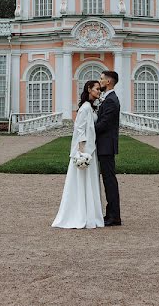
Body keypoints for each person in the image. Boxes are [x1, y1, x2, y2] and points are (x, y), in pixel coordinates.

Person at [51, 80, 105, 229]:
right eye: (97, 89)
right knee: (82, 183)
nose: (99, 91)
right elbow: (79, 129)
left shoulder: (91, 108)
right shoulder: (85, 108)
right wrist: (81, 153)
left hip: (90, 149)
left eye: (100, 89)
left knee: (89, 183)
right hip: (86, 151)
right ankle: (81, 214)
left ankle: (89, 214)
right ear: (89, 89)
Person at [95, 70, 121, 226]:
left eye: (102, 79)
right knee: (108, 180)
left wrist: (88, 129)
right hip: (104, 145)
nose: (100, 82)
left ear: (108, 82)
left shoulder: (111, 100)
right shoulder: (108, 98)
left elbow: (104, 124)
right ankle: (110, 213)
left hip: (106, 146)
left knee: (109, 181)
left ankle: (114, 216)